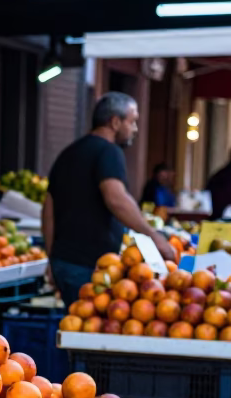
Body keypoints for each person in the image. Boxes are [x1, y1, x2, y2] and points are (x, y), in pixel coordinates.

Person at [43, 92, 176, 304]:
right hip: (91, 266)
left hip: (64, 261)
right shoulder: (109, 152)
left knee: (74, 328)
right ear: (115, 122)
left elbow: (48, 209)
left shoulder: (68, 153)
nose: (135, 129)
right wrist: (153, 235)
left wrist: (52, 257)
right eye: (132, 122)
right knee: (88, 330)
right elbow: (116, 199)